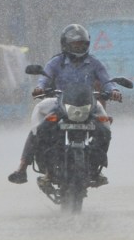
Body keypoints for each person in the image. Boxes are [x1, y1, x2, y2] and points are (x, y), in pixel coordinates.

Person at [7, 24, 122, 186]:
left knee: (104, 129)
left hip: (88, 103)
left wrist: (113, 90)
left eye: (82, 44)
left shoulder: (95, 63)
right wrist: (40, 88)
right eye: (75, 44)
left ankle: (96, 169)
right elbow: (44, 79)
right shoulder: (56, 62)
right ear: (66, 44)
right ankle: (23, 167)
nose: (79, 47)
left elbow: (107, 81)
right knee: (38, 128)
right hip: (58, 101)